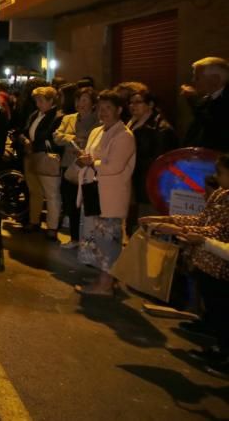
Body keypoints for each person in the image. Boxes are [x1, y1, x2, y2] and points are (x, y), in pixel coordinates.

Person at [142, 154, 229, 373]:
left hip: (219, 263)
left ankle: (224, 354)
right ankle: (216, 340)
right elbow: (202, 219)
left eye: (221, 173)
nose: (216, 177)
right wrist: (168, 220)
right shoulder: (220, 194)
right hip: (205, 259)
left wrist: (179, 229)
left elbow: (217, 231)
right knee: (212, 302)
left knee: (221, 307)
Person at [73, 90, 136, 296]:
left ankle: (106, 284)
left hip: (110, 195)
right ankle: (105, 277)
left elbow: (114, 166)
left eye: (108, 108)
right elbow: (91, 157)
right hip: (93, 191)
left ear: (119, 110)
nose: (103, 112)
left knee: (108, 239)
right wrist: (83, 158)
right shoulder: (97, 131)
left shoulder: (124, 135)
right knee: (96, 237)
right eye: (100, 108)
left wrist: (91, 162)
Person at [127, 88, 178, 236]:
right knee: (134, 223)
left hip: (149, 184)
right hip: (134, 180)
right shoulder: (132, 123)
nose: (132, 106)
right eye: (130, 103)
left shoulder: (161, 129)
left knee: (147, 224)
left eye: (138, 102)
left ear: (150, 104)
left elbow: (159, 162)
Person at [53, 87, 99, 249]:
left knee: (90, 204)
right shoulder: (69, 118)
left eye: (85, 100)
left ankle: (91, 241)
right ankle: (74, 239)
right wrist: (73, 139)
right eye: (78, 100)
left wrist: (83, 143)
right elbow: (57, 136)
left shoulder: (98, 121)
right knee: (71, 203)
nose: (81, 103)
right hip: (69, 167)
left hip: (89, 168)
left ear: (93, 103)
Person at [17, 86, 63, 238]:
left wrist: (33, 144)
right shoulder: (35, 114)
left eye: (41, 101)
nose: (38, 104)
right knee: (34, 191)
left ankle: (52, 227)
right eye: (36, 100)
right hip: (31, 156)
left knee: (51, 194)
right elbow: (24, 131)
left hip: (45, 157)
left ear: (51, 101)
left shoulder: (57, 116)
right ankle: (34, 221)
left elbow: (50, 137)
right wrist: (24, 139)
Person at [184, 57, 229, 152]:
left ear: (215, 79)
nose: (193, 81)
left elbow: (215, 130)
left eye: (197, 78)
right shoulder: (207, 99)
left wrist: (193, 100)